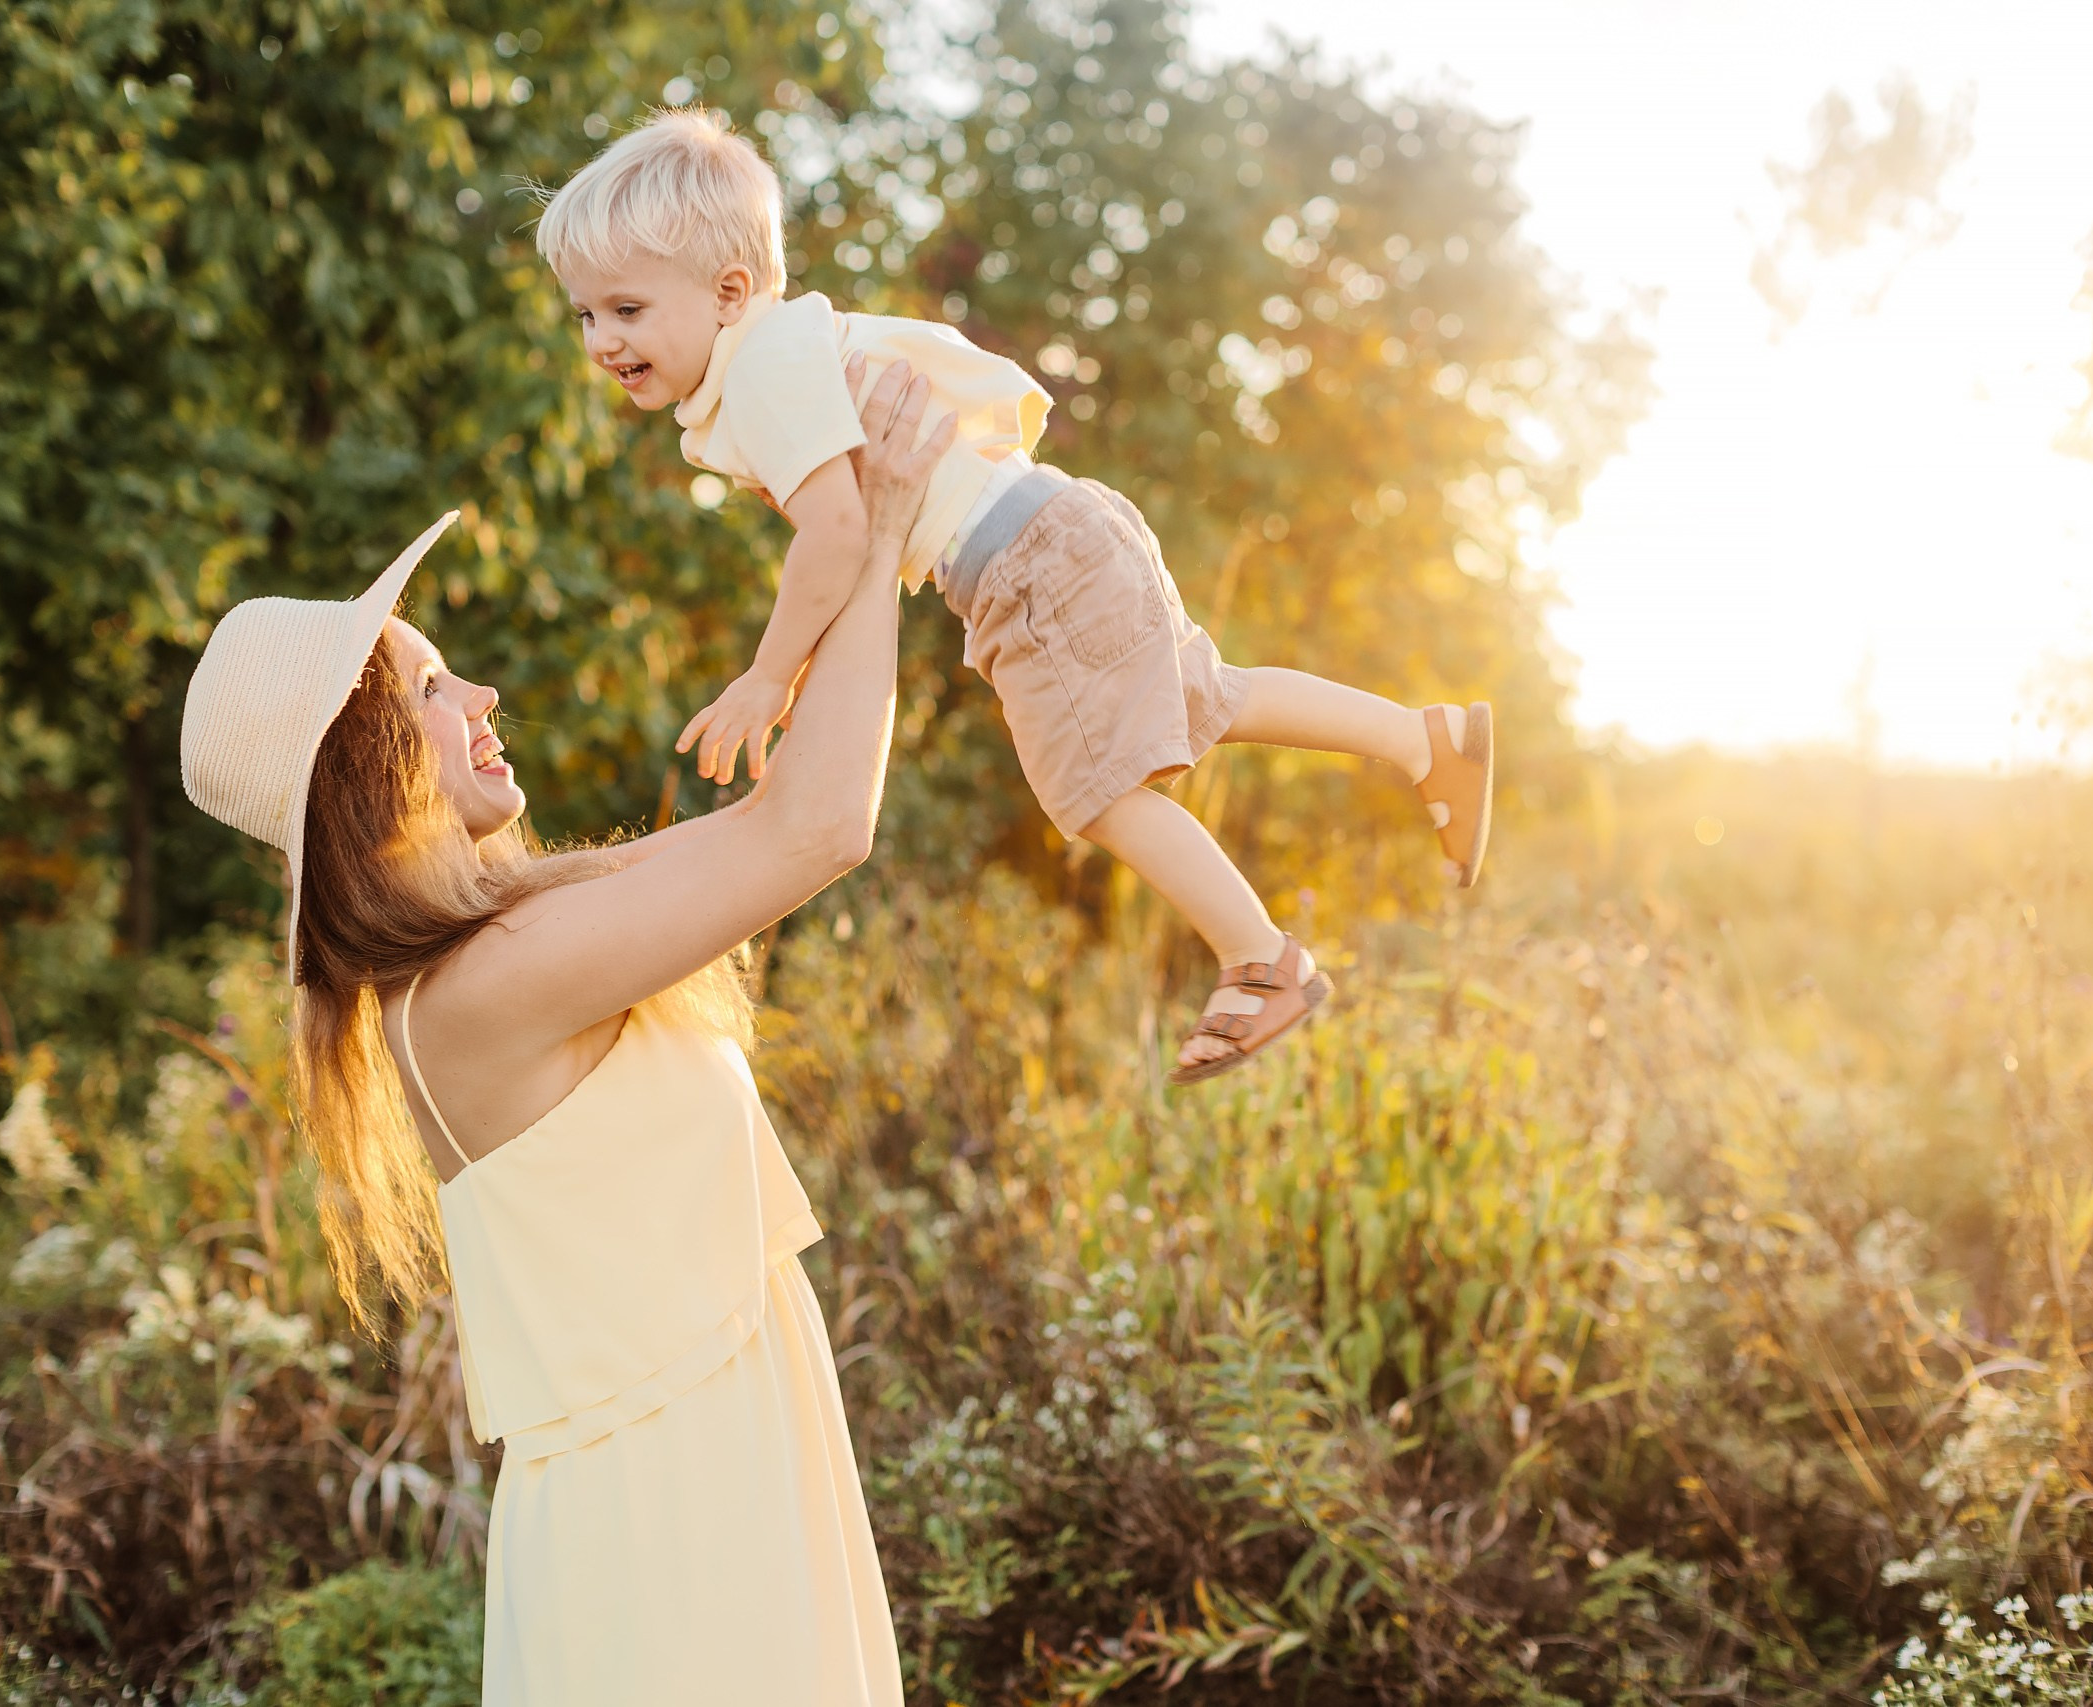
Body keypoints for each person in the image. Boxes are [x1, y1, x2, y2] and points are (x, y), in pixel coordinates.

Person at [177, 360, 953, 1705]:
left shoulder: (511, 932)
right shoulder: (486, 983)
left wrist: (834, 547)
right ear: (367, 763)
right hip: (673, 1517)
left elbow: (775, 815)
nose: (479, 694)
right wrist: (877, 533)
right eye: (429, 685)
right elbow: (822, 825)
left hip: (703, 1470)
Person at [532, 108, 1495, 1086]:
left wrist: (767, 678)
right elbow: (851, 540)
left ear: (730, 292)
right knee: (1210, 696)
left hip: (1024, 565)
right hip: (1061, 527)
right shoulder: (780, 353)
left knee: (1099, 791)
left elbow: (838, 534)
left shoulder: (765, 369)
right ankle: (1425, 740)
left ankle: (1261, 961)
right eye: (586, 316)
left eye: (627, 309)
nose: (603, 341)